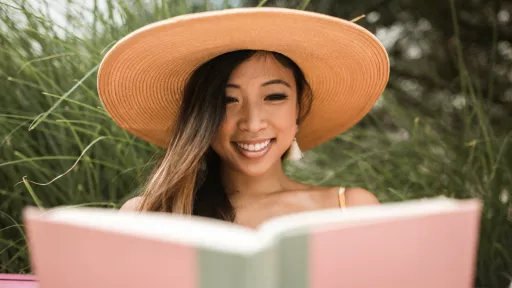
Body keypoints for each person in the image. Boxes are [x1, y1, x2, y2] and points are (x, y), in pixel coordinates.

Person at [97, 7, 390, 229]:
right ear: (202, 118)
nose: (252, 123)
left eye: (274, 96)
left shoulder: (350, 209)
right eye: (227, 100)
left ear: (299, 109)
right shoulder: (148, 215)